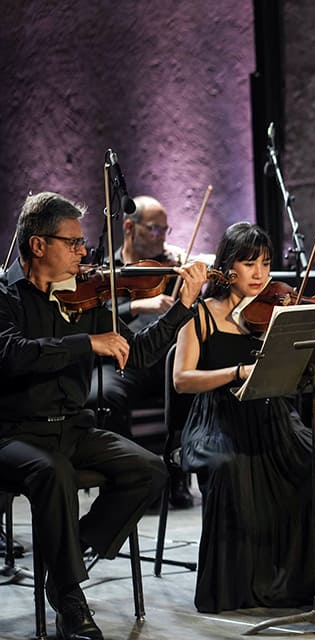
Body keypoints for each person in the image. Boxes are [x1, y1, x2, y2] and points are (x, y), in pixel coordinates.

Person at [0, 192, 207, 640]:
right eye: (73, 243)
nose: (83, 253)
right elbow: (12, 356)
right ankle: (71, 598)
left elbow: (141, 352)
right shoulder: (5, 296)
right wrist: (86, 344)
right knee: (51, 472)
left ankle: (65, 560)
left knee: (151, 471)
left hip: (72, 428)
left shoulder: (84, 297)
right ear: (38, 245)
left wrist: (185, 306)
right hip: (14, 433)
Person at [173, 221, 315, 613]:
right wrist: (238, 372)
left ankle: (310, 584)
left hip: (274, 414)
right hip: (218, 419)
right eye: (248, 263)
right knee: (229, 469)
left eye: (266, 263)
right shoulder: (199, 316)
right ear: (227, 267)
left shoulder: (277, 312)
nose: (259, 273)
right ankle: (238, 588)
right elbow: (182, 380)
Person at [85, 195, 194, 508]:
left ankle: (176, 472)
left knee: (187, 378)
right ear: (130, 227)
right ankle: (133, 475)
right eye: (154, 230)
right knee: (100, 395)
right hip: (122, 360)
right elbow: (98, 311)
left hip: (162, 358)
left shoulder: (169, 264)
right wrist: (135, 305)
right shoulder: (105, 271)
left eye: (165, 230)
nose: (161, 238)